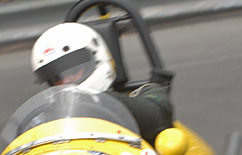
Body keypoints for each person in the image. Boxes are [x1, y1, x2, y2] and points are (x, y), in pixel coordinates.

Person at [30, 22, 174, 144]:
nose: (65, 81)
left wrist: (100, 102)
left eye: (73, 70)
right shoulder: (45, 118)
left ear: (98, 59)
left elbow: (158, 115)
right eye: (56, 79)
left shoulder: (139, 101)